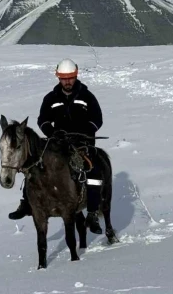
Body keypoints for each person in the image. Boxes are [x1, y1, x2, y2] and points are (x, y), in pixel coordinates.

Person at [9, 58, 104, 234]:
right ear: (58, 77)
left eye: (70, 78)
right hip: (57, 143)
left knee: (94, 171)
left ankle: (92, 213)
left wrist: (85, 132)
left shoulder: (87, 97)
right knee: (33, 164)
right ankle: (26, 204)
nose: (67, 82)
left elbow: (97, 119)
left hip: (82, 143)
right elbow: (42, 119)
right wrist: (52, 132)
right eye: (63, 78)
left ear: (76, 76)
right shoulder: (51, 98)